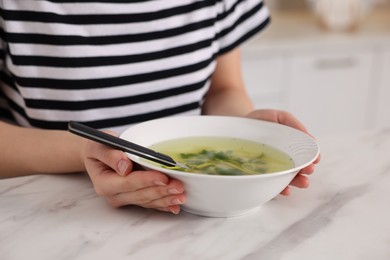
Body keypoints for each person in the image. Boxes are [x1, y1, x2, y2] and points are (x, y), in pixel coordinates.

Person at [0, 0, 320, 214]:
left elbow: (224, 88)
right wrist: (83, 151)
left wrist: (246, 128)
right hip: (55, 212)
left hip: (193, 208)